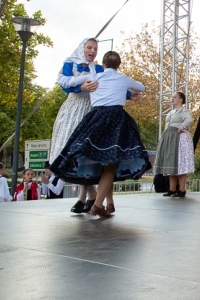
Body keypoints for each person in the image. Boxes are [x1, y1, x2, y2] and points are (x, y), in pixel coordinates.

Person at [50, 51, 151, 218]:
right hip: (116, 119)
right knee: (111, 164)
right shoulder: (122, 78)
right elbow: (141, 87)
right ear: (119, 65)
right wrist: (129, 89)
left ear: (103, 64)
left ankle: (107, 203)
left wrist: (63, 75)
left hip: (95, 119)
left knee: (103, 162)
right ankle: (97, 205)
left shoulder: (94, 76)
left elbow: (70, 81)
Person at [155, 91, 194, 198]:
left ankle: (181, 189)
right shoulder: (171, 113)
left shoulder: (184, 111)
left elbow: (189, 120)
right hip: (170, 138)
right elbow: (167, 125)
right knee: (171, 163)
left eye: (175, 97)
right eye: (172, 97)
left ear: (181, 99)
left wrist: (181, 128)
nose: (172, 99)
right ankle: (172, 189)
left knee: (180, 163)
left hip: (179, 138)